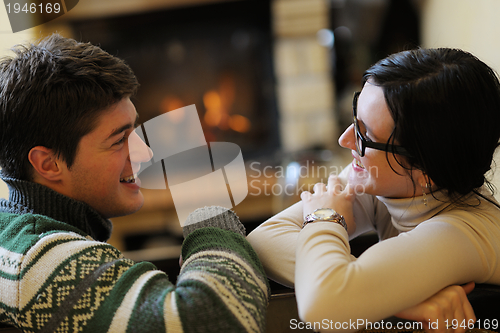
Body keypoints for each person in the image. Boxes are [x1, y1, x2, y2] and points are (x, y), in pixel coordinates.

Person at [0, 34, 269, 332]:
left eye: (135, 130)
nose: (146, 152)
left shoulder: (14, 235)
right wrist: (210, 218)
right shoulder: (38, 259)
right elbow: (212, 321)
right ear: (48, 164)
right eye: (118, 140)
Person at [247, 48, 500, 332]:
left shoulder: (459, 233)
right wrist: (390, 294)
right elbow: (261, 241)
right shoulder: (393, 181)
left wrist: (325, 216)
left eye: (365, 136)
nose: (345, 141)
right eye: (355, 121)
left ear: (425, 169)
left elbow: (322, 306)